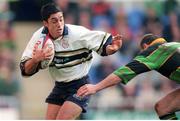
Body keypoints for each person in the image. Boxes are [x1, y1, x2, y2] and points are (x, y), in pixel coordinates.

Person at [19, 3, 122, 120]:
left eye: (61, 19)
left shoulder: (77, 33)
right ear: (45, 23)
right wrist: (35, 59)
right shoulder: (38, 39)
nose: (59, 24)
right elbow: (25, 71)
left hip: (80, 85)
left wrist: (113, 49)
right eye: (54, 21)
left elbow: (105, 46)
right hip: (59, 86)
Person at [77, 33, 180, 120]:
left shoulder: (153, 51)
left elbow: (122, 73)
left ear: (145, 46)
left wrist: (96, 87)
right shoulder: (173, 45)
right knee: (163, 107)